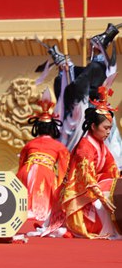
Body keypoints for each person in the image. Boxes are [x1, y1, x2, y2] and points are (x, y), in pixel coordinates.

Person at [39, 87, 120, 239]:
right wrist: (103, 198)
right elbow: (87, 178)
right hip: (78, 197)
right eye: (106, 128)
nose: (108, 132)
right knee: (104, 217)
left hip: (93, 192)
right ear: (93, 126)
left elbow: (112, 170)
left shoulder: (101, 146)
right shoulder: (85, 147)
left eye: (110, 128)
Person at [16, 93, 70, 222]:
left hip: (26, 171)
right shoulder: (59, 146)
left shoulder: (29, 144)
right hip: (45, 173)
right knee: (41, 212)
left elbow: (21, 162)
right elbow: (64, 170)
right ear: (53, 128)